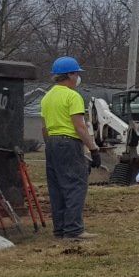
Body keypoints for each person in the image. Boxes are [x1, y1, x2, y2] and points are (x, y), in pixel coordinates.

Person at [39, 56, 98, 242]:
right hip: (69, 143)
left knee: (56, 188)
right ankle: (74, 230)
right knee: (75, 185)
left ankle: (60, 230)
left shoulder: (47, 97)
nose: (78, 77)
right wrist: (93, 149)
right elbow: (79, 126)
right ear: (70, 75)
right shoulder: (73, 96)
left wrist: (51, 145)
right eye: (77, 74)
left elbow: (44, 128)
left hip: (52, 143)